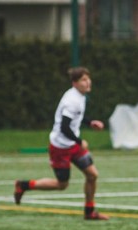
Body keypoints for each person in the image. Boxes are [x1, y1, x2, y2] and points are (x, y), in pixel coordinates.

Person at [14, 67, 109, 220]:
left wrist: (90, 122)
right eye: (84, 80)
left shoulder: (80, 96)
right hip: (60, 147)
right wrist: (80, 141)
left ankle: (89, 211)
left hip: (73, 145)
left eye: (88, 79)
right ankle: (23, 185)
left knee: (92, 175)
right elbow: (64, 127)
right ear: (75, 83)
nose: (88, 82)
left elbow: (77, 117)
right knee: (61, 185)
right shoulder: (71, 101)